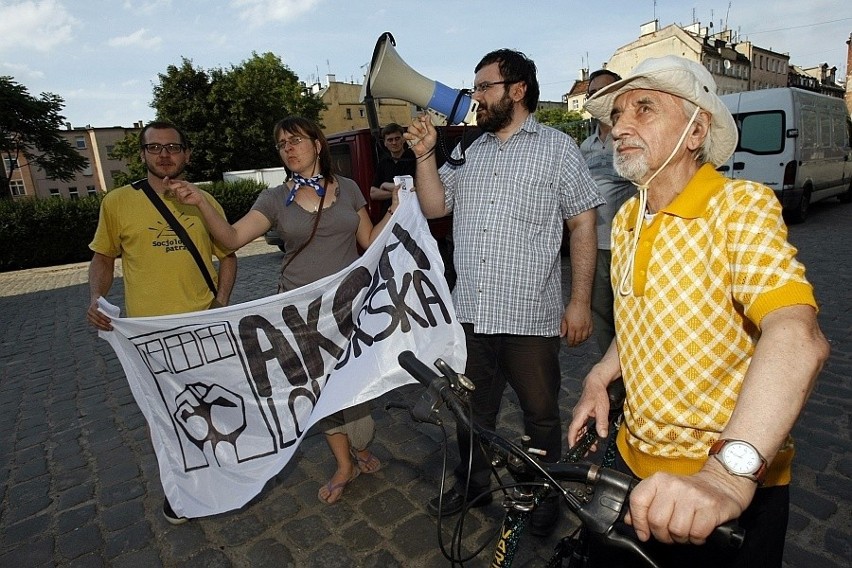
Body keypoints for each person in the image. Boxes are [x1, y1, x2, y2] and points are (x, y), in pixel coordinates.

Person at [568, 55, 830, 567]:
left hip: (711, 489)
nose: (621, 125)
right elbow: (644, 317)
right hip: (626, 462)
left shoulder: (740, 206)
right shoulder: (626, 219)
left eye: (644, 109)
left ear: (696, 131)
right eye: (617, 114)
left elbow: (798, 335)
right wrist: (601, 375)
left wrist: (726, 477)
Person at [405, 49, 604, 536]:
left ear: (517, 90)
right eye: (474, 87)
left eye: (484, 87)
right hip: (471, 312)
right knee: (471, 413)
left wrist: (579, 302)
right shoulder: (470, 149)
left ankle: (542, 496)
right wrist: (426, 155)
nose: (475, 96)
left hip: (530, 317)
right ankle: (473, 482)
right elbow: (433, 207)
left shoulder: (557, 147)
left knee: (540, 417)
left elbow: (582, 223)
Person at [172, 115, 398, 505]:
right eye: (281, 144)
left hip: (347, 307)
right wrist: (201, 205)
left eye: (295, 140)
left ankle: (360, 443)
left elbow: (368, 239)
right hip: (299, 314)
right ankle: (345, 464)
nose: (288, 148)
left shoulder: (348, 189)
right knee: (319, 388)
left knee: (355, 382)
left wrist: (395, 208)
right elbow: (230, 238)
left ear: (317, 144)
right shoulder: (275, 198)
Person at [86, 120, 238, 525]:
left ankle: (221, 474)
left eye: (173, 147)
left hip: (203, 327)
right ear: (142, 155)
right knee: (163, 417)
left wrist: (220, 302)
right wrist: (96, 299)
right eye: (155, 148)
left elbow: (229, 254)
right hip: (148, 333)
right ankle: (180, 489)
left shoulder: (203, 201)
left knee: (211, 405)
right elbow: (103, 256)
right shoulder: (117, 203)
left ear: (186, 154)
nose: (164, 154)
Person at [579, 69, 637, 354]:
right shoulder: (586, 145)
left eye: (602, 91)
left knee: (630, 315)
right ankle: (613, 385)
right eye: (591, 93)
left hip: (627, 244)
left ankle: (634, 377)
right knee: (601, 313)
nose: (594, 98)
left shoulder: (630, 136)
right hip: (595, 242)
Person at [370, 122, 416, 216]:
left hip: (410, 214)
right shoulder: (383, 163)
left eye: (397, 138)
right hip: (389, 216)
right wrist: (398, 193)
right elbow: (373, 193)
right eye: (390, 140)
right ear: (385, 143)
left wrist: (385, 185)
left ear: (403, 139)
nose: (394, 143)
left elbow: (413, 186)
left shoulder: (414, 158)